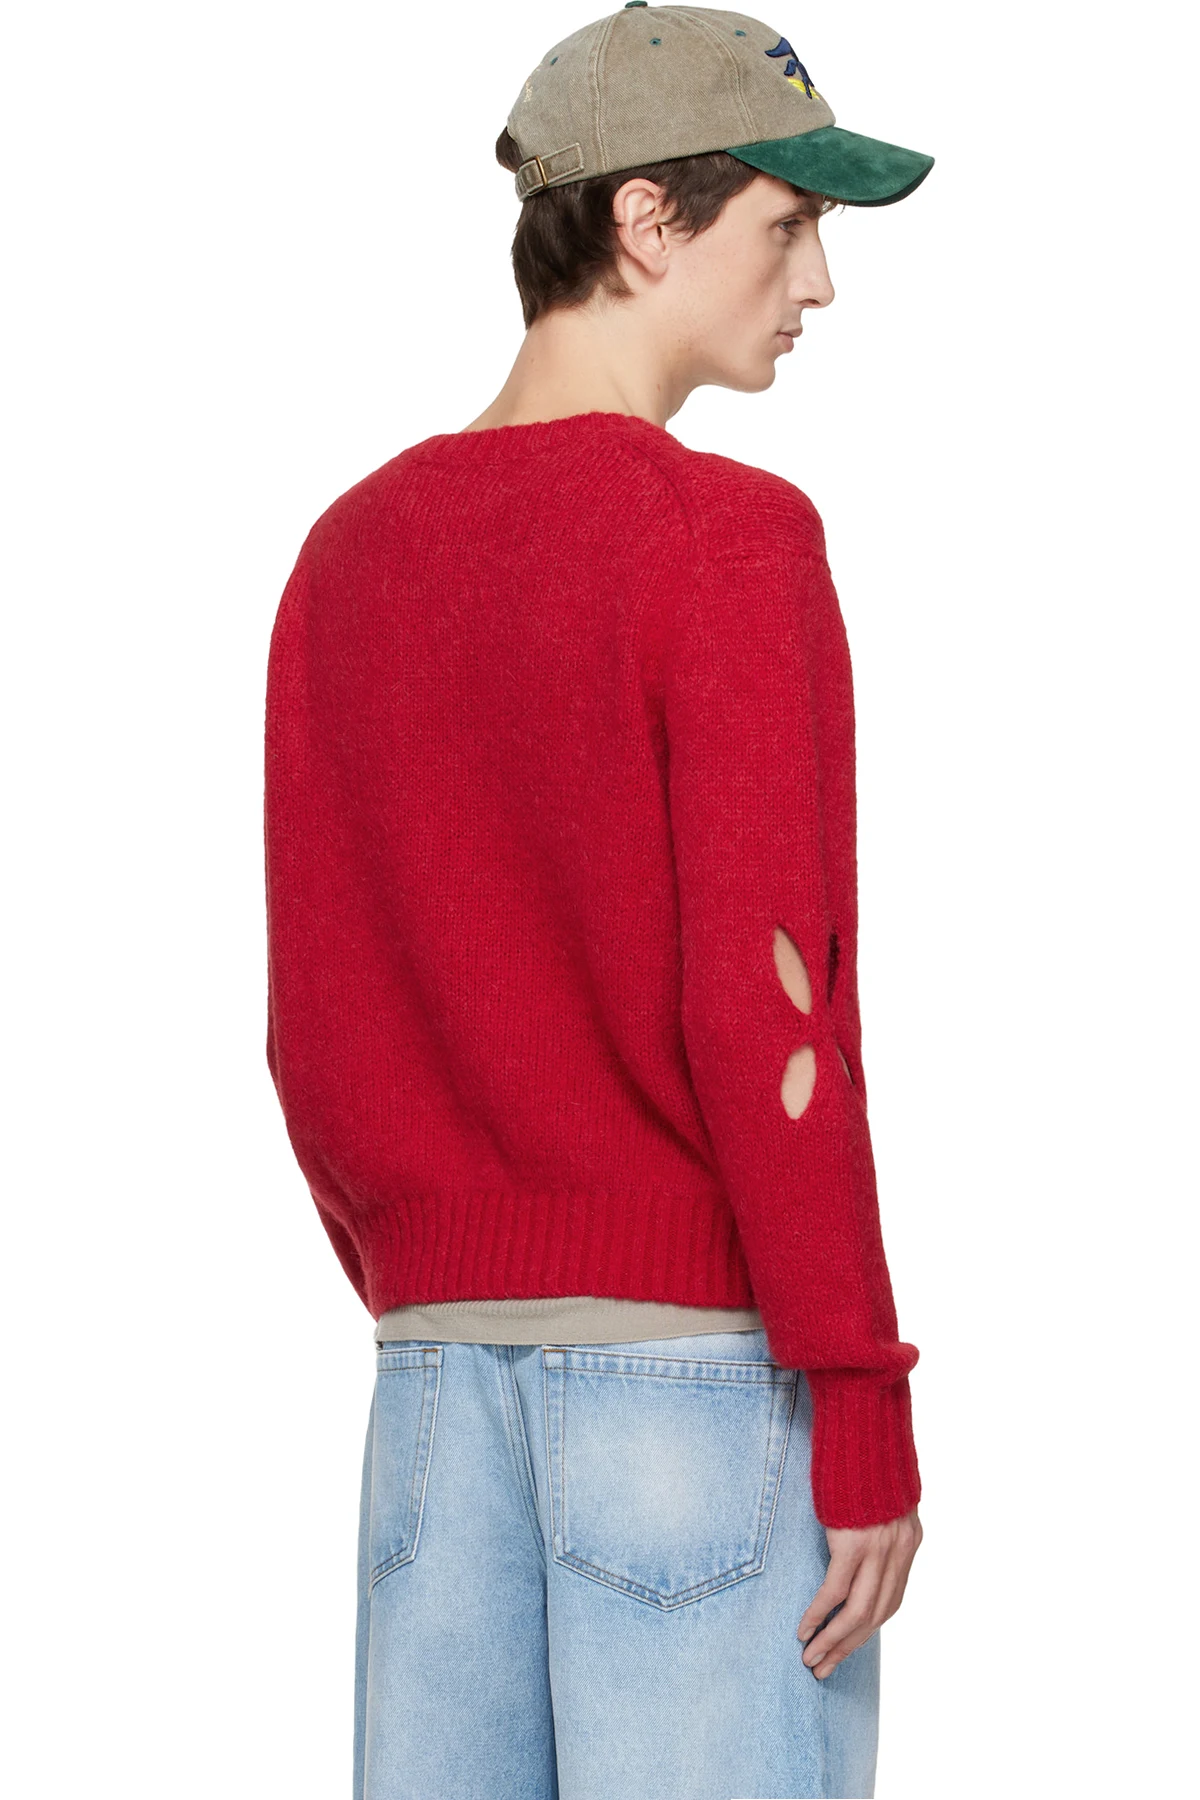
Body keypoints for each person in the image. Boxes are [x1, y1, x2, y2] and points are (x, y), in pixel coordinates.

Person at [263, 7, 934, 1797]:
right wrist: (859, 1395)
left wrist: (445, 1276)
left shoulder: (347, 555)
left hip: (429, 1405)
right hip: (694, 1397)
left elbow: (311, 1032)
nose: (819, 283)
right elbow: (773, 1012)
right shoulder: (726, 539)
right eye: (791, 225)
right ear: (648, 221)